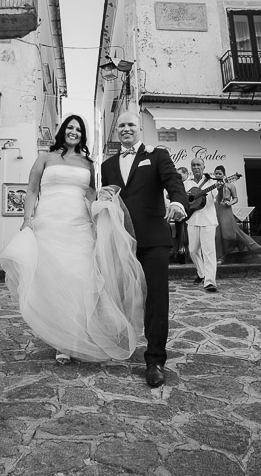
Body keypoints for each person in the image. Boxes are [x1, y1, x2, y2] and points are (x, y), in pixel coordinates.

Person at [0, 115, 147, 367]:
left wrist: (100, 213)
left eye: (78, 129)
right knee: (54, 281)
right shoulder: (45, 157)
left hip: (78, 225)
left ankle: (77, 337)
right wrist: (27, 218)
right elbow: (32, 189)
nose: (74, 132)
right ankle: (61, 343)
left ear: (82, 135)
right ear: (62, 131)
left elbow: (90, 193)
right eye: (70, 127)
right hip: (49, 224)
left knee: (80, 280)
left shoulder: (88, 163)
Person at [100, 112, 188, 388]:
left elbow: (173, 181)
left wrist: (177, 203)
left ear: (139, 129)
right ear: (117, 132)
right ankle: (119, 344)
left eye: (131, 125)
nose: (126, 129)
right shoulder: (107, 164)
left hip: (153, 239)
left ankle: (155, 360)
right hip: (121, 241)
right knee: (120, 296)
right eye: (122, 126)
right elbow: (108, 198)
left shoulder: (157, 154)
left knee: (156, 300)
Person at [212, 165, 261, 260]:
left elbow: (236, 198)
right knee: (218, 233)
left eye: (220, 174)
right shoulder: (213, 186)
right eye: (216, 173)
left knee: (229, 232)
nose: (218, 175)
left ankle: (240, 243)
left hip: (226, 209)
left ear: (224, 174)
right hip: (215, 209)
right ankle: (220, 256)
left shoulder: (230, 186)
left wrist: (230, 203)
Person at [185, 158, 220, 290]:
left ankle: (210, 281)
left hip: (208, 220)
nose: (196, 167)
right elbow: (184, 199)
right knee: (193, 250)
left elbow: (218, 199)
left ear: (204, 166)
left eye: (198, 164)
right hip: (192, 219)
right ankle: (202, 273)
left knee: (209, 251)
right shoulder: (186, 183)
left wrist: (221, 189)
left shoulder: (212, 182)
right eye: (193, 165)